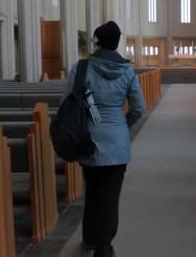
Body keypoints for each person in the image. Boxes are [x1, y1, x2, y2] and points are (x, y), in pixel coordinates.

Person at [64, 21, 145, 257]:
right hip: (117, 144)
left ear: (97, 41)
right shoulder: (128, 70)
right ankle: (104, 246)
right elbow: (139, 108)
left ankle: (90, 236)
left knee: (92, 189)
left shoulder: (81, 68)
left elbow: (66, 103)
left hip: (88, 140)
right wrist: (122, 125)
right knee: (110, 196)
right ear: (117, 42)